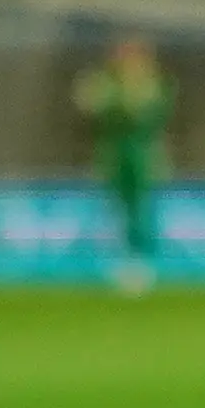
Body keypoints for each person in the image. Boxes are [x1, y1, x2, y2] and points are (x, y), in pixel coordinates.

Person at [72, 37, 170, 294]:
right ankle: (119, 259)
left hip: (141, 154)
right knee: (116, 208)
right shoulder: (108, 84)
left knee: (140, 208)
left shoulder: (152, 85)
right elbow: (97, 112)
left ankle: (141, 262)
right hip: (114, 154)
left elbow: (152, 118)